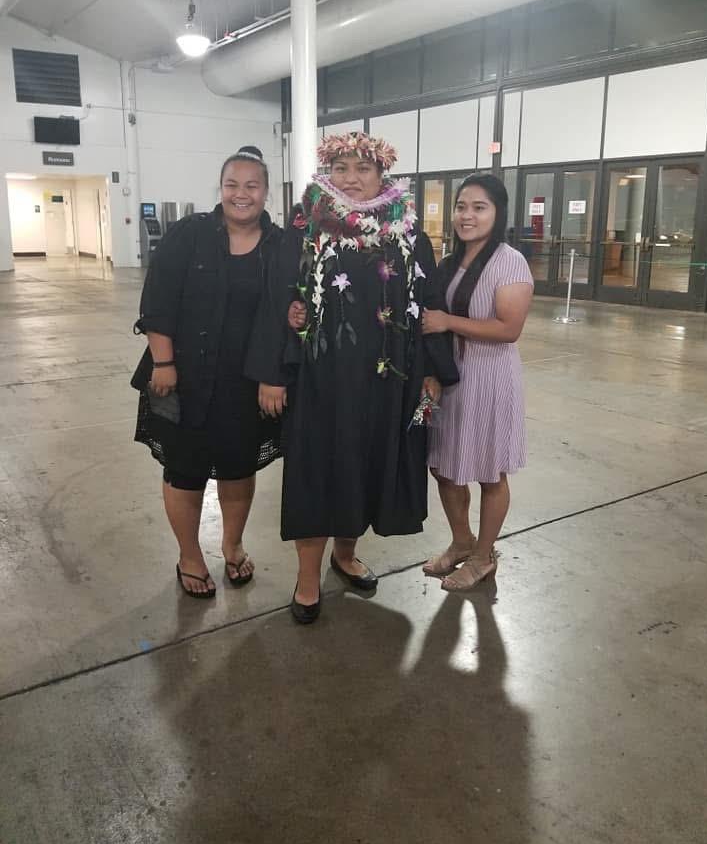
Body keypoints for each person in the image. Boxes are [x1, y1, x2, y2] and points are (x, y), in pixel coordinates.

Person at [247, 131, 457, 623]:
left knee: (364, 467)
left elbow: (428, 307)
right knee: (317, 472)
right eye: (340, 168)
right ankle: (306, 577)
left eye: (362, 168)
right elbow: (280, 303)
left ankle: (344, 555)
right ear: (326, 174)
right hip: (321, 382)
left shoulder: (409, 237)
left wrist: (432, 372)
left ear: (382, 175)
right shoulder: (306, 233)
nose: (351, 178)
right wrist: (274, 373)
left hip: (388, 382)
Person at [131, 147, 282, 598]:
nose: (241, 194)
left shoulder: (278, 245)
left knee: (238, 468)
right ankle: (189, 555)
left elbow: (283, 310)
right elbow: (157, 301)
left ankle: (232, 545)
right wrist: (163, 361)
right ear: (221, 189)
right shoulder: (189, 235)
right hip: (180, 376)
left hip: (245, 382)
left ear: (266, 192)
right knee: (184, 468)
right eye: (232, 184)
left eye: (251, 185)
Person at [421, 173, 533, 591]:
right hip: (447, 380)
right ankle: (461, 542)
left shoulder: (509, 261)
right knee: (443, 467)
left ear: (498, 212)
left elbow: (509, 328)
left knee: (488, 470)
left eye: (479, 207)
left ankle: (484, 556)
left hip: (489, 378)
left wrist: (448, 321)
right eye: (461, 206)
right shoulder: (449, 262)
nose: (467, 215)